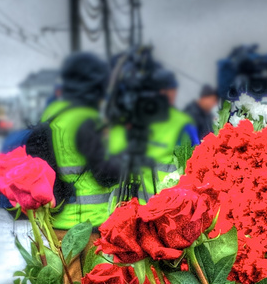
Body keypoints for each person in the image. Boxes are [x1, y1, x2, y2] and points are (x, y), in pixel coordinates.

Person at [25, 51, 124, 232]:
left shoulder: (52, 113)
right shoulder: (88, 120)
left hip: (55, 224)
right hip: (89, 224)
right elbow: (106, 176)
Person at [135, 68, 199, 198]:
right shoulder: (183, 124)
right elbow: (196, 165)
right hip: (162, 207)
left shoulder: (140, 120)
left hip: (148, 207)